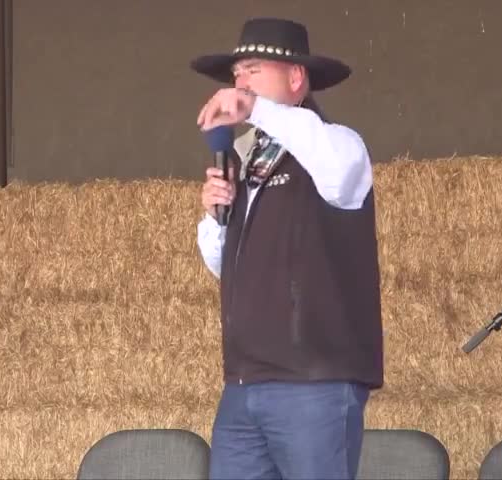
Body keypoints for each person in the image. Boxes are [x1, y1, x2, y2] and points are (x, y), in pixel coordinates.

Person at [189, 17, 385, 480]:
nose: (241, 83)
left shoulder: (338, 145)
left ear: (296, 78)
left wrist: (254, 108)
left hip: (313, 385)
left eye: (254, 69)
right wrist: (217, 217)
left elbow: (332, 168)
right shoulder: (245, 161)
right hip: (243, 384)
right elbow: (229, 269)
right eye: (238, 74)